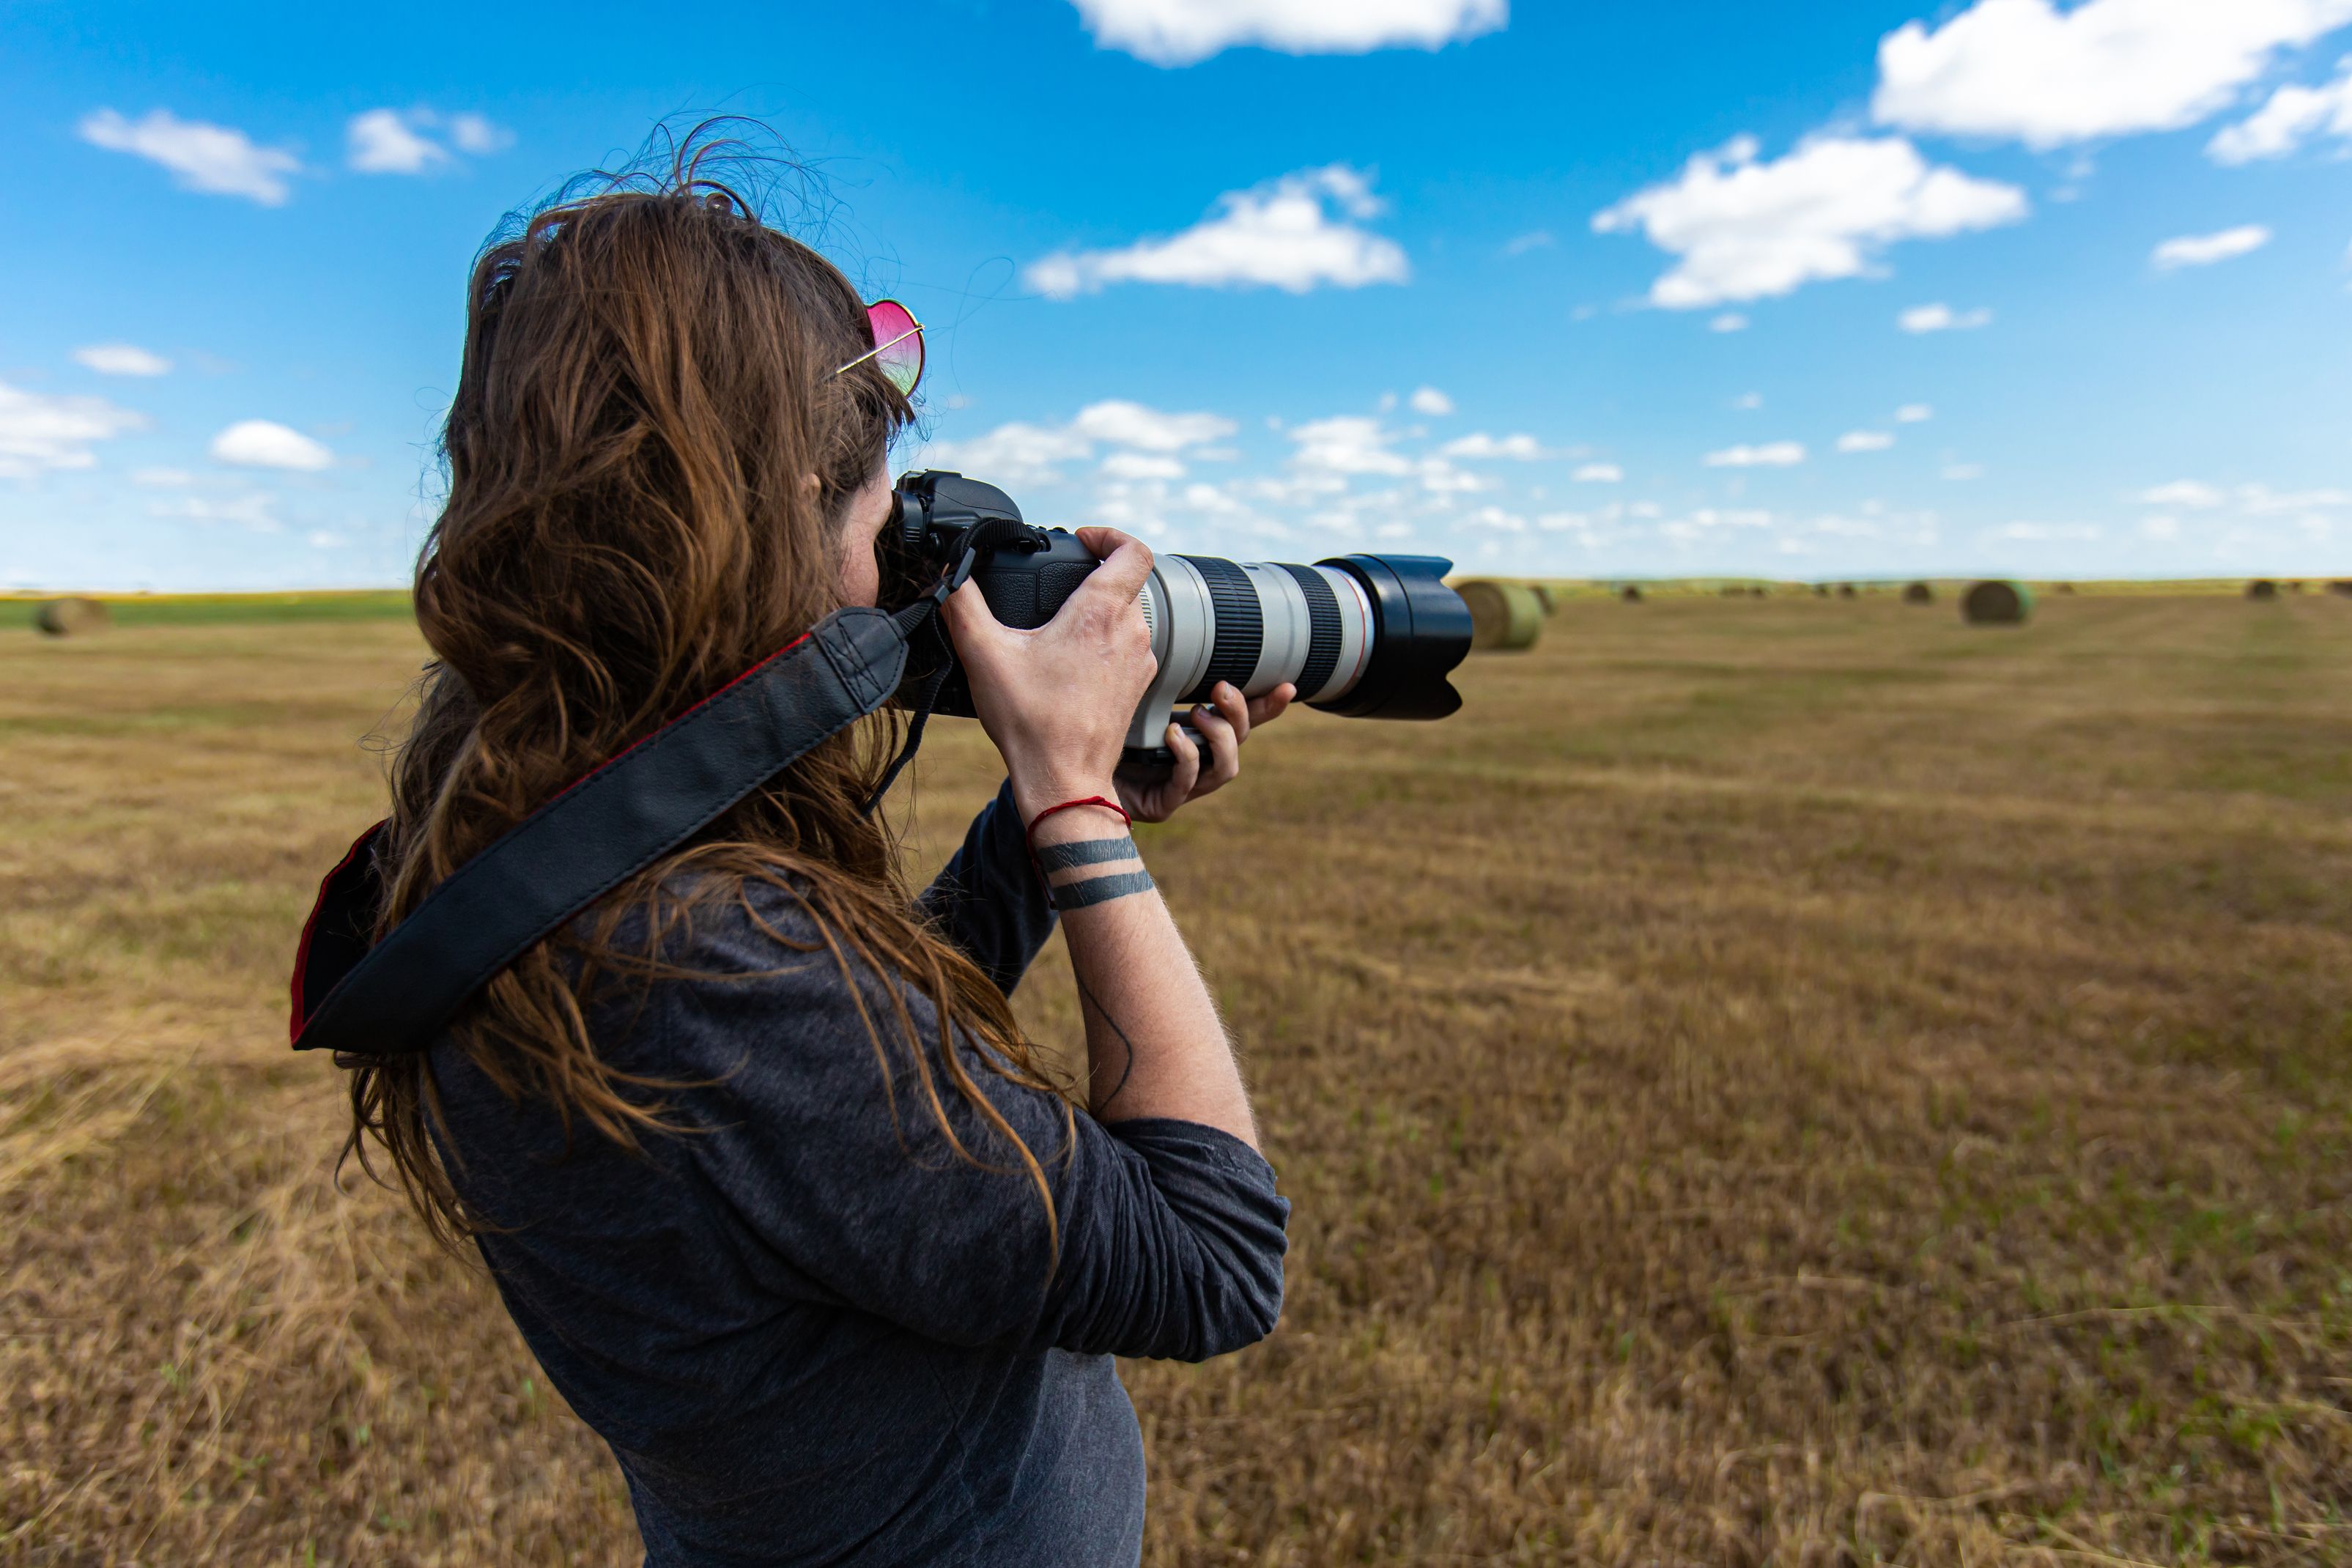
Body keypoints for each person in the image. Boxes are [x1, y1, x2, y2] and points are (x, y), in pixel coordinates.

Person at [340, 155, 1293, 1567]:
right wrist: (1073, 810)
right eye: (872, 515)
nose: (894, 560)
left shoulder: (538, 834)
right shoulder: (700, 958)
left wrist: (1037, 839)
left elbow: (859, 1121)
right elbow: (1210, 1256)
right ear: (773, 511)